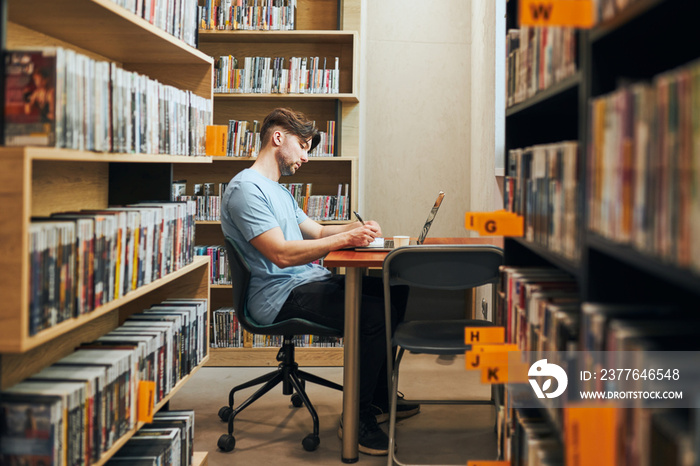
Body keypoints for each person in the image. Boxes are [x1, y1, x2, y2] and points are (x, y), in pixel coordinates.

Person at [220, 107, 418, 456]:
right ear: (278, 138)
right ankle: (357, 421)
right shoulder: (245, 190)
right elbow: (280, 254)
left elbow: (320, 231)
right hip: (278, 296)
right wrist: (343, 241)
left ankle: (376, 401)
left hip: (306, 282)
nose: (306, 157)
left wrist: (356, 230)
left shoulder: (279, 191)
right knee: (372, 316)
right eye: (304, 146)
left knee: (392, 292)